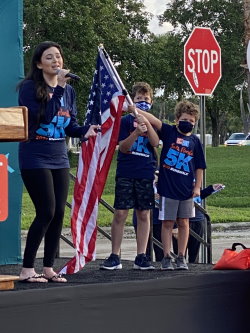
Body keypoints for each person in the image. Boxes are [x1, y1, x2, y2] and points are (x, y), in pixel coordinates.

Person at [18, 41, 98, 283]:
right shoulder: (30, 88)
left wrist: (86, 130)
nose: (56, 61)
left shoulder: (69, 93)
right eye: (50, 57)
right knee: (46, 210)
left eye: (58, 57)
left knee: (59, 212)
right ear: (39, 63)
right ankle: (27, 269)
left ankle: (49, 267)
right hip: (35, 154)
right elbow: (44, 116)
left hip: (59, 155)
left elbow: (67, 125)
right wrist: (60, 88)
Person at [130, 100, 206, 270]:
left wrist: (197, 187)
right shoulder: (169, 132)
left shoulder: (195, 141)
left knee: (184, 222)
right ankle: (166, 256)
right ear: (177, 118)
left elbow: (200, 166)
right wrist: (134, 110)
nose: (188, 123)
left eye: (192, 121)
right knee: (167, 222)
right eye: (185, 119)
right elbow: (153, 120)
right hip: (168, 188)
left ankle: (181, 256)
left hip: (186, 189)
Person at [100, 82, 159, 270]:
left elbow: (156, 143)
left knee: (143, 213)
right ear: (132, 101)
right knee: (120, 213)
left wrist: (146, 125)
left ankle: (141, 255)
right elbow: (123, 148)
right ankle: (115, 255)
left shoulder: (153, 122)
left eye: (146, 99)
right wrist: (135, 131)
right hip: (126, 172)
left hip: (145, 172)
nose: (143, 102)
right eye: (139, 99)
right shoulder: (124, 121)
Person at [172, 184, 225, 263]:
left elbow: (199, 195)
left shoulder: (195, 177)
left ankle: (193, 268)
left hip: (197, 219)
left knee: (194, 250)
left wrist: (211, 189)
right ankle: (180, 264)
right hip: (181, 219)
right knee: (180, 249)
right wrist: (175, 225)